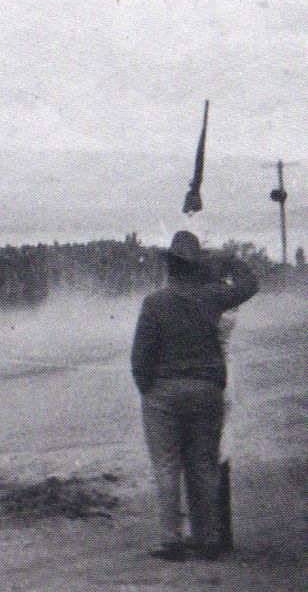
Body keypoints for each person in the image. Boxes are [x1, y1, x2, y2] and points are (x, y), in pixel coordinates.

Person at [131, 230, 258, 561]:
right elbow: (250, 284)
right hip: (207, 391)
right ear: (197, 266)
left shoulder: (155, 302)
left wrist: (148, 388)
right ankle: (210, 539)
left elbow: (141, 356)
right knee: (204, 465)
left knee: (167, 466)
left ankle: (172, 541)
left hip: (164, 393)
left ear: (170, 267)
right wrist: (227, 258)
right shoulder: (212, 297)